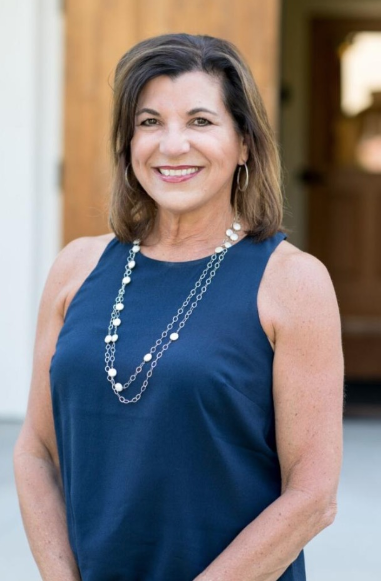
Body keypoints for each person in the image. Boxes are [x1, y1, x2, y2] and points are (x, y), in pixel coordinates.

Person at [14, 33, 344, 581]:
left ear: (244, 144)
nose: (172, 146)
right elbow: (35, 453)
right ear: (128, 143)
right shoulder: (76, 269)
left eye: (200, 121)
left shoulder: (292, 282)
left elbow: (312, 496)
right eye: (149, 123)